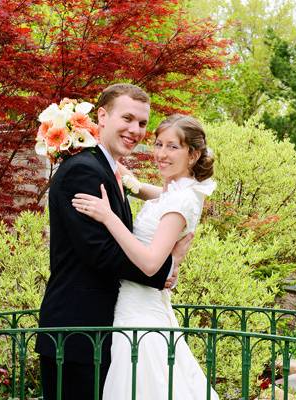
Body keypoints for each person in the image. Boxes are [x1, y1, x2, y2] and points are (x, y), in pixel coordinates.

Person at [35, 84, 192, 400]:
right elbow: (100, 252)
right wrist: (161, 271)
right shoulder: (83, 170)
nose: (135, 130)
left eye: (143, 123)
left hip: (102, 330)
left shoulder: (108, 170)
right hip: (77, 330)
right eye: (128, 118)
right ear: (102, 117)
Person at [72, 114, 219, 399]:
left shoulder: (181, 200)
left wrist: (108, 216)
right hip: (136, 304)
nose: (162, 154)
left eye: (173, 147)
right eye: (158, 144)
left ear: (193, 154)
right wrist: (122, 173)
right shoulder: (177, 190)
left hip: (139, 313)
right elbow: (149, 193)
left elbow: (151, 264)